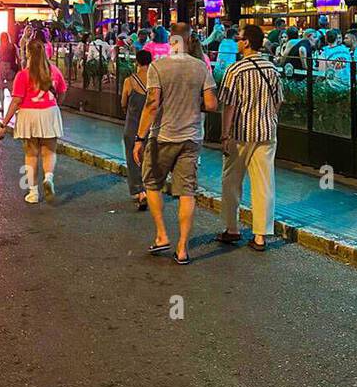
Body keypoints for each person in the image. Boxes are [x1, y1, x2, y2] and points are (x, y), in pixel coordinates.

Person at [132, 23, 218, 265]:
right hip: (191, 137)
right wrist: (192, 104)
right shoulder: (201, 67)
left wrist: (139, 138)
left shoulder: (158, 67)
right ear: (189, 41)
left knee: (152, 183)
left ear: (171, 41)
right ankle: (182, 249)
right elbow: (211, 105)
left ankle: (161, 235)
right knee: (186, 192)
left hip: (163, 137)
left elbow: (151, 104)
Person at [216, 24, 283, 251]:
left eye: (239, 38)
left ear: (246, 42)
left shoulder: (235, 71)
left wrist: (224, 134)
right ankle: (260, 236)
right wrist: (268, 118)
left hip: (240, 134)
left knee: (231, 181)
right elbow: (278, 102)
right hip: (266, 133)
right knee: (264, 184)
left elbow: (229, 105)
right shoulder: (272, 69)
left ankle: (232, 229)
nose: (237, 42)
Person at [0, 39, 67, 204]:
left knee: (31, 154)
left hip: (28, 115)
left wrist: (3, 124)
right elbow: (62, 92)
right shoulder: (54, 71)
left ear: (28, 53)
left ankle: (33, 193)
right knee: (49, 151)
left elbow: (16, 101)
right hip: (49, 112)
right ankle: (48, 178)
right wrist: (56, 105)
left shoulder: (22, 75)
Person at [119, 48, 152, 210]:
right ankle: (151, 190)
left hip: (133, 126)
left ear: (137, 62)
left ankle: (140, 192)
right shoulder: (156, 81)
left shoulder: (129, 81)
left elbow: (123, 103)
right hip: (151, 128)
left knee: (133, 161)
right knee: (150, 160)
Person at [0, 31, 18, 112]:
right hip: (10, 67)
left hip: (1, 66)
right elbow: (18, 57)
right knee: (11, 88)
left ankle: (2, 106)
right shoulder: (13, 46)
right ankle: (15, 106)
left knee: (0, 88)